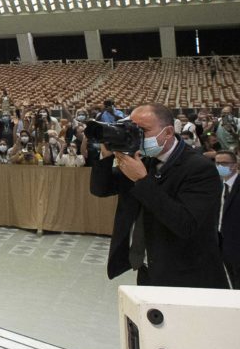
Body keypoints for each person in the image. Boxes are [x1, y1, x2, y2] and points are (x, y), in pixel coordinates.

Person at [90, 103, 228, 288]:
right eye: (132, 130)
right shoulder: (144, 160)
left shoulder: (200, 168)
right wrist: (106, 157)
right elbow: (101, 189)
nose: (136, 137)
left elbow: (185, 224)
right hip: (148, 268)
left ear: (168, 133)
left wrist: (141, 180)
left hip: (188, 276)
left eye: (143, 131)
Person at [217, 151, 239, 288]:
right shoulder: (218, 185)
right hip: (222, 240)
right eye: (217, 163)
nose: (220, 166)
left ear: (235, 165)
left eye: (224, 163)